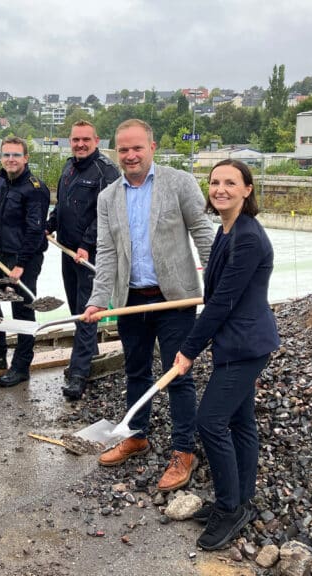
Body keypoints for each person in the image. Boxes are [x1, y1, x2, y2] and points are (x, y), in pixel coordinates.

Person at [82, 118, 214, 492]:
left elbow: (204, 234)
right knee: (136, 372)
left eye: (137, 147)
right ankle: (137, 435)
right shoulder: (108, 197)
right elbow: (107, 252)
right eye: (123, 149)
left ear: (152, 147)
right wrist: (98, 299)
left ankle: (183, 450)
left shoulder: (179, 183)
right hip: (131, 301)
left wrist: (218, 288)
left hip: (176, 299)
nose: (130, 155)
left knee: (178, 375)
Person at [173, 159, 280, 550]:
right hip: (235, 342)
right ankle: (241, 499)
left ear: (247, 190)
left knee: (210, 422)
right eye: (215, 182)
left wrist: (188, 350)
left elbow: (222, 303)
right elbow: (216, 294)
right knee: (240, 421)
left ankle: (229, 508)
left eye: (230, 183)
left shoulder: (248, 237)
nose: (220, 189)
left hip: (245, 345)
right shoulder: (226, 229)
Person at [46, 120, 120, 400]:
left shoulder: (106, 171)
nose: (80, 144)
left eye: (86, 140)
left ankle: (78, 374)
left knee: (87, 311)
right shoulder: (68, 167)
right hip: (69, 253)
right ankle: (92, 360)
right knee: (78, 311)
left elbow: (107, 214)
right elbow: (62, 205)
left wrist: (87, 244)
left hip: (92, 254)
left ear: (96, 141)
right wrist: (50, 225)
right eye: (76, 140)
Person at [0, 136, 50, 387]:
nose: (10, 159)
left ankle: (21, 366)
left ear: (26, 158)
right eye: (6, 155)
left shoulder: (35, 189)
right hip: (3, 252)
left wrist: (21, 265)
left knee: (22, 309)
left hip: (26, 256)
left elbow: (35, 231)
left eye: (16, 155)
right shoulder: (2, 181)